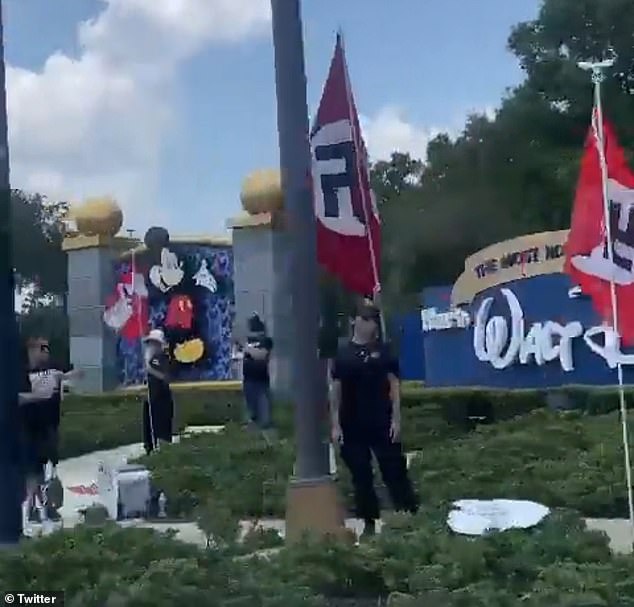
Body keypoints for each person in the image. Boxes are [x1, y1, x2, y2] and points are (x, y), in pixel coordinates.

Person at [330, 301, 418, 538]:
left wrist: (397, 419)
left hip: (382, 420)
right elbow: (336, 390)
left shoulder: (384, 351)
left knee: (393, 469)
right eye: (365, 319)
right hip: (352, 423)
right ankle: (369, 522)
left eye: (373, 320)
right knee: (361, 475)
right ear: (354, 321)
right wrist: (335, 424)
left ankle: (408, 516)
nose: (370, 324)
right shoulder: (343, 354)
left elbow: (394, 385)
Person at [18, 336, 80, 534]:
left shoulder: (54, 368)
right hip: (29, 426)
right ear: (32, 351)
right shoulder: (22, 372)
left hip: (50, 425)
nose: (45, 352)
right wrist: (37, 396)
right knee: (33, 471)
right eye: (41, 349)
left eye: (46, 349)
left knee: (50, 468)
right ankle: (36, 509)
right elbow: (16, 398)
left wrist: (71, 376)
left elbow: (71, 374)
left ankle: (46, 505)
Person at [142, 329, 174, 454]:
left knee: (161, 427)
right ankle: (149, 448)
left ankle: (161, 450)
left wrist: (150, 369)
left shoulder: (161, 358)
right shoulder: (149, 358)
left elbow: (165, 376)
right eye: (150, 343)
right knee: (148, 426)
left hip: (161, 400)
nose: (152, 346)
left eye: (155, 343)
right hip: (151, 398)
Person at [242, 313, 274, 432]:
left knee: (264, 409)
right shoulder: (248, 341)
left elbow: (262, 355)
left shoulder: (266, 341)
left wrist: (248, 350)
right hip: (248, 380)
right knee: (251, 406)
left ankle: (266, 428)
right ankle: (252, 425)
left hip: (261, 381)